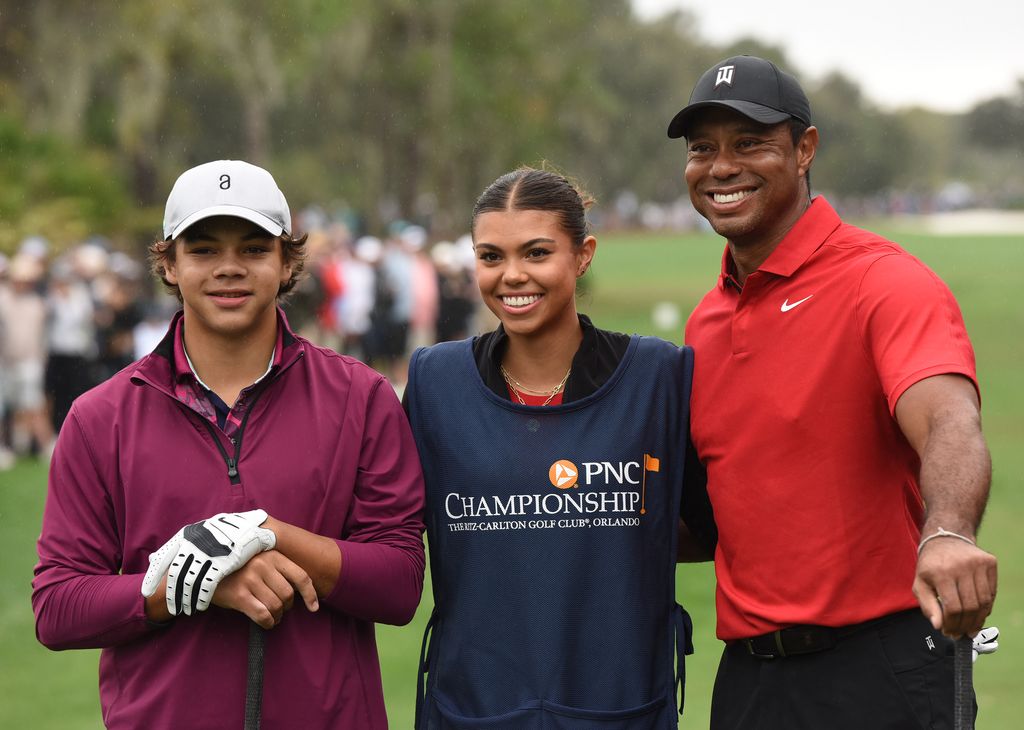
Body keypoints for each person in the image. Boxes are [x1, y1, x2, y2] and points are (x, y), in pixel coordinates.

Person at [32, 159, 426, 730]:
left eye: (253, 248)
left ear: (287, 260)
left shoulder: (361, 397)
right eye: (203, 249)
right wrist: (185, 586)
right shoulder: (100, 418)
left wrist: (268, 535)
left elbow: (398, 584)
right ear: (168, 262)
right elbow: (57, 607)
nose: (229, 269)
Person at [667, 55, 998, 728]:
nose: (721, 167)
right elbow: (708, 519)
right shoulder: (705, 323)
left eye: (750, 143)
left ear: (804, 149)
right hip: (749, 681)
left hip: (882, 667)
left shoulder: (883, 283)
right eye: (703, 150)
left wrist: (948, 534)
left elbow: (948, 420)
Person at [404, 167, 715, 729]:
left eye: (537, 253)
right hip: (472, 709)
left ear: (583, 254)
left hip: (622, 708)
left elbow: (707, 528)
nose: (512, 275)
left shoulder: (657, 376)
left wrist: (594, 533)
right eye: (491, 256)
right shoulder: (435, 381)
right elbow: (392, 536)